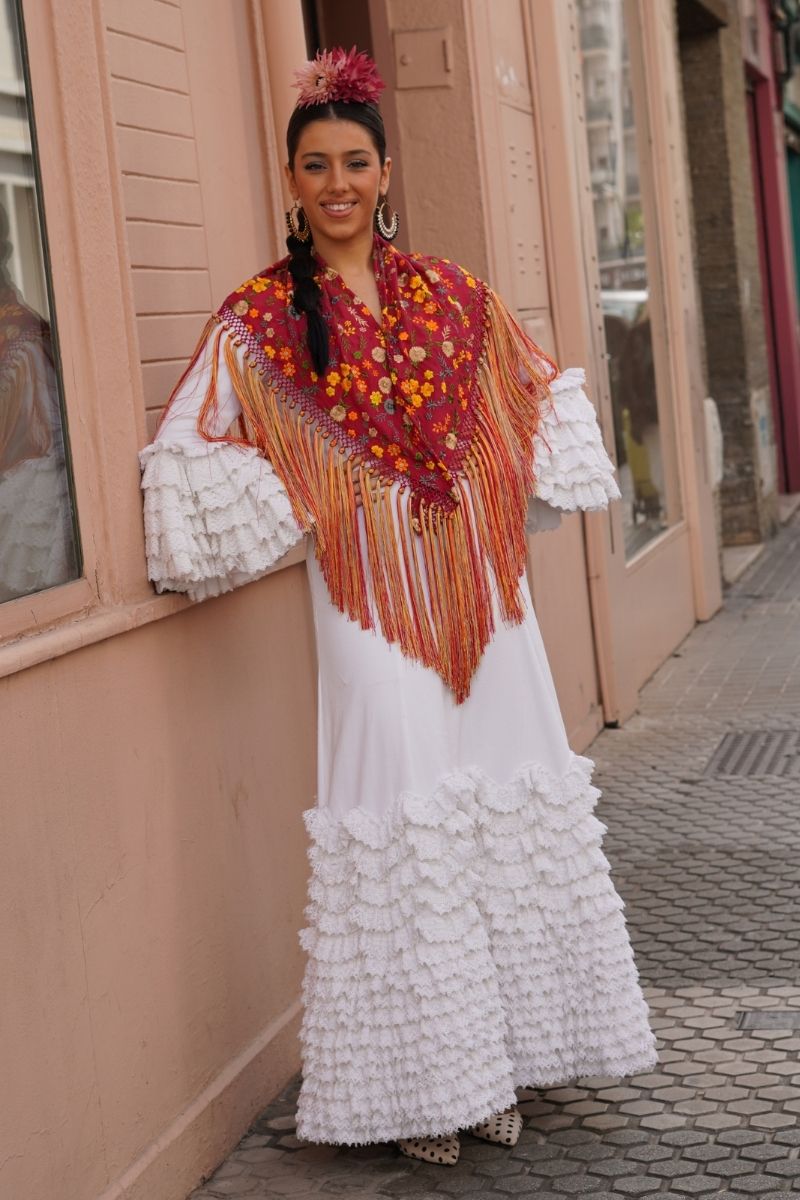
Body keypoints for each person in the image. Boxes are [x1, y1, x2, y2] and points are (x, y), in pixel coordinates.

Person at [139, 47, 657, 1167]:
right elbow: (188, 444)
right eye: (314, 164)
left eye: (354, 162)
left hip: (485, 601)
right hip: (368, 608)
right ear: (291, 182)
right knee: (400, 809)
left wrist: (479, 492)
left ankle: (505, 1059)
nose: (336, 182)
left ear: (385, 172)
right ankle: (429, 1084)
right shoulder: (257, 320)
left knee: (497, 794)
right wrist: (323, 496)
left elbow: (530, 396)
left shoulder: (453, 295)